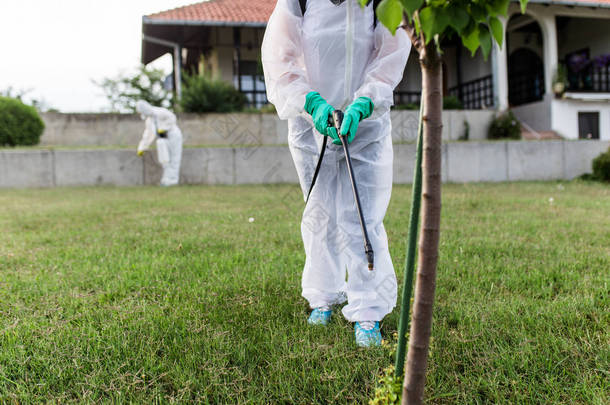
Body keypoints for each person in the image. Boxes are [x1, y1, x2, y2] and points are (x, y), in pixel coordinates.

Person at [262, 0, 410, 347]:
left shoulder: (379, 2)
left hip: (366, 122)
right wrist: (311, 102)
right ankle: (323, 296)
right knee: (321, 212)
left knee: (363, 215)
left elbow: (389, 56)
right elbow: (279, 58)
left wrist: (365, 101)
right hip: (310, 123)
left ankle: (368, 310)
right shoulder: (297, 2)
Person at [135, 100, 183, 186]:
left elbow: (172, 118)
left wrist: (164, 127)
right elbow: (147, 135)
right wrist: (141, 147)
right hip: (163, 139)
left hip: (173, 137)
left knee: (174, 159)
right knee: (165, 160)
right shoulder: (149, 121)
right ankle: (166, 180)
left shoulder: (160, 111)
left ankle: (172, 181)